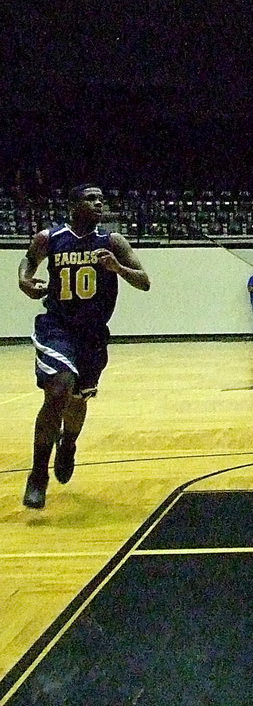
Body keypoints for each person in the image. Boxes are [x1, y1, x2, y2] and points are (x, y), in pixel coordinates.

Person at [18, 184, 151, 509]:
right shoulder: (48, 238)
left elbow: (144, 281)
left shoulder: (112, 242)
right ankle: (37, 475)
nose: (98, 203)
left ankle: (69, 445)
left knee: (78, 401)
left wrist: (118, 269)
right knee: (58, 391)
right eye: (91, 199)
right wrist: (24, 282)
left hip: (92, 334)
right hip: (57, 327)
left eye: (101, 199)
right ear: (73, 204)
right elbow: (27, 264)